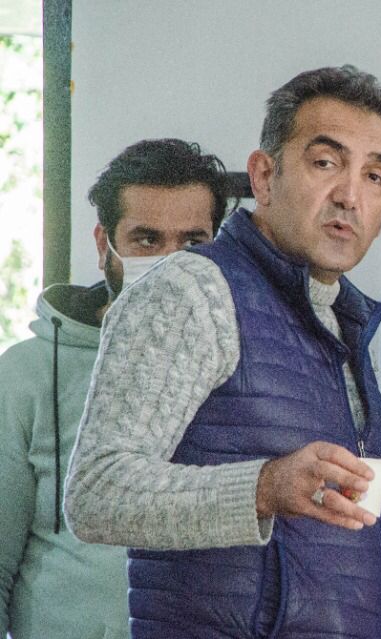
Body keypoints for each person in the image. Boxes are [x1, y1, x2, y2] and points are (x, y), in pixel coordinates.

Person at [64, 66, 381, 638]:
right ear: (263, 176)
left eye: (374, 176)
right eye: (325, 162)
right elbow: (97, 493)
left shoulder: (342, 320)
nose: (349, 196)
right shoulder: (193, 290)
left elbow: (369, 553)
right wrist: (263, 487)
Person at [0, 138, 233, 638]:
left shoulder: (248, 368)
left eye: (193, 243)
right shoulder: (24, 377)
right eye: (146, 240)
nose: (171, 265)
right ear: (103, 244)